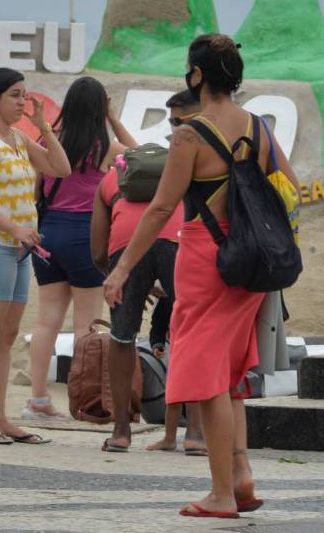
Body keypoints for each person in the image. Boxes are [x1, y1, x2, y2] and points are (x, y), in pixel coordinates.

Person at [102, 34, 298, 519]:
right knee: (230, 374)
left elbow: (161, 207)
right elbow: (290, 185)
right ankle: (240, 474)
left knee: (209, 376)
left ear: (196, 75)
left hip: (205, 257)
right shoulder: (257, 125)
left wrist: (123, 268)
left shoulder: (190, 134)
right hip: (250, 259)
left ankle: (221, 494)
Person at [0, 67, 70, 445]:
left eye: (24, 95)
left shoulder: (19, 139)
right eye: (15, 96)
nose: (22, 102)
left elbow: (61, 168)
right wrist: (14, 227)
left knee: (6, 335)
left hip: (18, 250)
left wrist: (44, 126)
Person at [91, 90, 204, 454]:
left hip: (126, 245)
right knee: (190, 335)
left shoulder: (113, 179)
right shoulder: (183, 165)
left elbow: (97, 250)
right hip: (178, 241)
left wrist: (118, 273)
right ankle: (195, 434)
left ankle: (122, 430)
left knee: (123, 338)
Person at [24, 76, 137, 419]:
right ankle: (84, 399)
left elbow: (36, 191)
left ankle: (38, 398)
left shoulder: (50, 140)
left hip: (48, 233)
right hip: (85, 236)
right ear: (100, 109)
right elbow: (145, 156)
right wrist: (115, 120)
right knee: (85, 325)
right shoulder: (106, 148)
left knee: (46, 322)